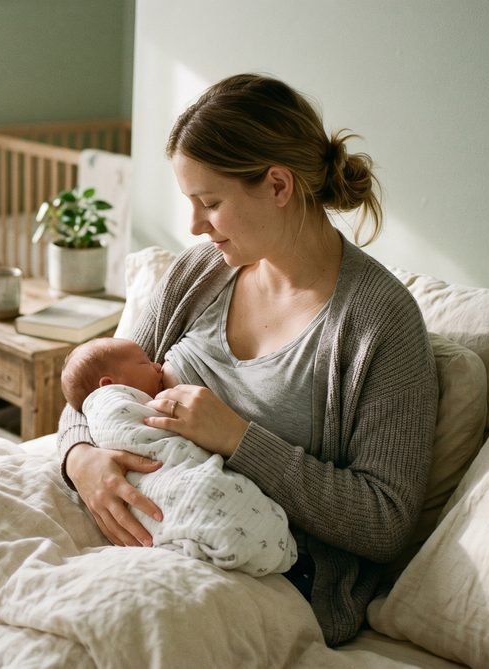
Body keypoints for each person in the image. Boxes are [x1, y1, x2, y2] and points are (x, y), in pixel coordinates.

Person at [56, 73, 438, 646]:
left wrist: (237, 438)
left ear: (278, 185)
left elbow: (384, 520)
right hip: (133, 525)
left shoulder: (378, 322)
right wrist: (81, 462)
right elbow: (97, 392)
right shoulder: (198, 273)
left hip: (265, 572)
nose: (194, 225)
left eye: (210, 202)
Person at [60, 336, 296, 577]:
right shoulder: (182, 299)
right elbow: (85, 397)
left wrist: (236, 438)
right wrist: (79, 456)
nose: (157, 365)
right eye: (146, 364)